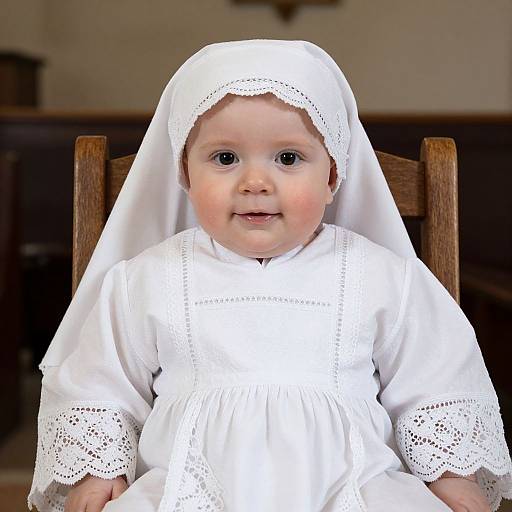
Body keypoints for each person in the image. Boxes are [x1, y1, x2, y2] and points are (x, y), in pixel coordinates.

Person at [28, 39, 512, 512]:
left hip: (355, 488)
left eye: (287, 158)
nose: (255, 183)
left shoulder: (381, 276)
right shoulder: (147, 279)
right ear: (185, 176)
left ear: (331, 177)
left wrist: (452, 475)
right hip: (186, 488)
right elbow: (99, 382)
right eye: (225, 158)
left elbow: (437, 379)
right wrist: (99, 471)